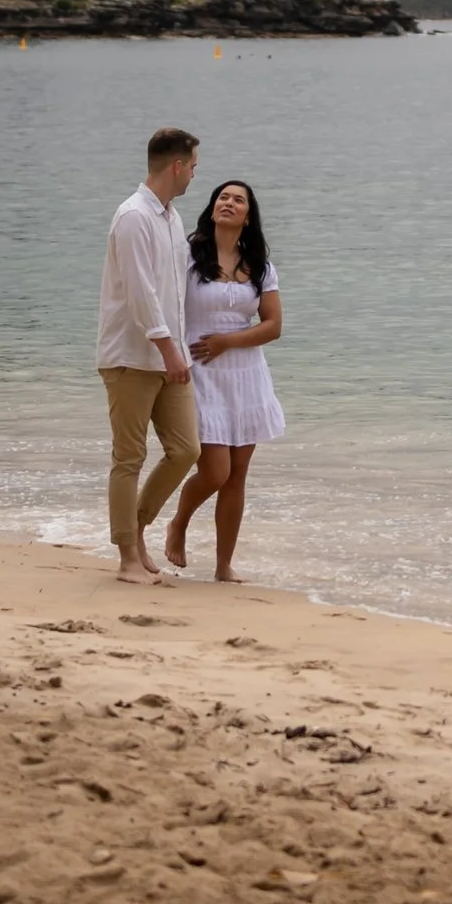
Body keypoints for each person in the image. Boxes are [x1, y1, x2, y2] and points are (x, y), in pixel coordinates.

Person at [163, 176, 285, 583]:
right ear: (213, 206)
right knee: (215, 471)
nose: (228, 203)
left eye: (238, 200)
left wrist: (228, 341)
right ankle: (179, 522)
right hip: (199, 369)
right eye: (222, 197)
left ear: (248, 216)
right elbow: (163, 302)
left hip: (246, 374)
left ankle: (223, 565)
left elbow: (272, 326)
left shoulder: (261, 266)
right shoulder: (187, 253)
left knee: (237, 475)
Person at [97, 124, 200, 587]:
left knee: (185, 450)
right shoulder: (134, 216)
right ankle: (127, 559)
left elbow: (173, 291)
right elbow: (141, 295)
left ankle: (138, 526)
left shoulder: (172, 217)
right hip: (131, 356)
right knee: (129, 457)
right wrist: (168, 347)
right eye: (193, 167)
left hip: (168, 357)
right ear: (177, 166)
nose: (194, 175)